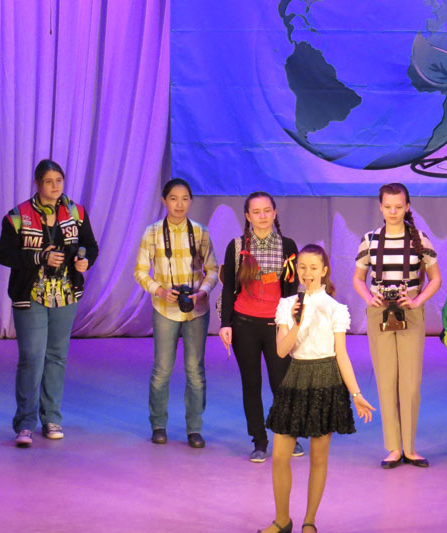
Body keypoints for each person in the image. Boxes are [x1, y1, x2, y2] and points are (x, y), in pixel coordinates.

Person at [260, 244, 375, 533]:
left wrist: (357, 394)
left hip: (326, 380)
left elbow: (342, 355)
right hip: (296, 378)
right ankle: (282, 520)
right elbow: (282, 351)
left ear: (324, 271)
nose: (307, 273)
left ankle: (309, 521)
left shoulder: (335, 308)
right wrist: (296, 323)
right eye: (302, 267)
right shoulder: (287, 305)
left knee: (318, 458)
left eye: (313, 267)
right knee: (279, 456)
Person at [0, 159, 99, 447]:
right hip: (30, 294)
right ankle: (25, 423)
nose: (55, 186)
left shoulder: (76, 212)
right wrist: (39, 257)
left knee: (56, 356)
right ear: (37, 184)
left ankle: (52, 417)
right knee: (32, 356)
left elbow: (91, 246)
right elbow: (4, 255)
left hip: (66, 294)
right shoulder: (18, 216)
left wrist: (85, 261)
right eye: (48, 182)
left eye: (59, 181)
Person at [352, 183, 441, 468]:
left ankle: (410, 448)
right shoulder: (369, 240)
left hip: (409, 311)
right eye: (388, 206)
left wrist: (417, 300)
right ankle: (393, 447)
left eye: (399, 206)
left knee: (411, 383)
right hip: (380, 311)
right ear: (380, 207)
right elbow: (358, 279)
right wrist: (369, 298)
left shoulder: (420, 239)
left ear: (408, 207)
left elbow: (436, 278)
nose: (393, 211)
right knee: (386, 379)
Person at [133, 178, 218, 448]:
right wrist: (159, 290)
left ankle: (195, 428)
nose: (179, 204)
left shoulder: (201, 232)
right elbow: (140, 272)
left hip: (196, 309)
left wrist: (202, 291)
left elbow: (213, 270)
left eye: (184, 199)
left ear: (191, 200)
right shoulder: (152, 232)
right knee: (162, 370)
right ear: (164, 201)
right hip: (164, 309)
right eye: (173, 198)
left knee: (195, 371)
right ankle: (158, 425)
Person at [218, 192, 302, 462]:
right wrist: (225, 323)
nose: (262, 216)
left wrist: (292, 324)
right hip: (244, 325)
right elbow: (228, 288)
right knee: (251, 383)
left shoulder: (287, 245)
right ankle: (259, 440)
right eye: (256, 212)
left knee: (282, 384)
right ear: (247, 216)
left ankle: (287, 435)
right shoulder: (236, 247)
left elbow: (291, 288)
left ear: (275, 213)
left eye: (267, 210)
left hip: (277, 325)